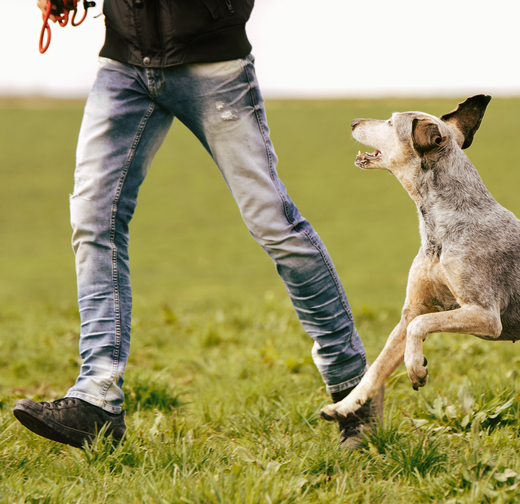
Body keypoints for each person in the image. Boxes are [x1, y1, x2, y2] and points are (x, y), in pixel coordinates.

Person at [13, 0, 382, 450]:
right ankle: (97, 398)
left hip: (213, 62)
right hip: (124, 62)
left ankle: (355, 392)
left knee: (274, 224)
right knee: (93, 220)